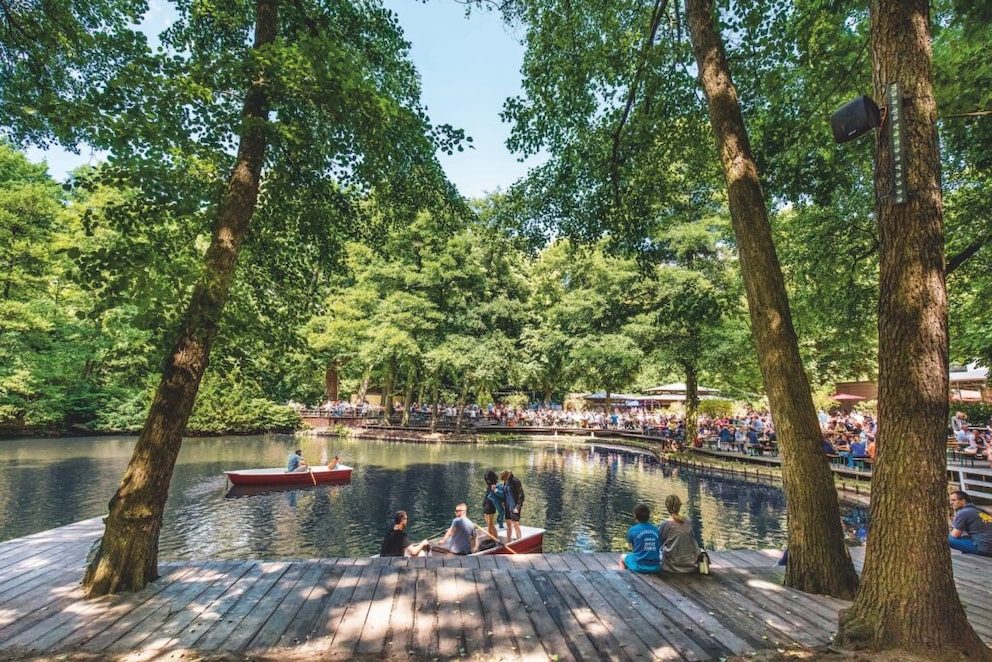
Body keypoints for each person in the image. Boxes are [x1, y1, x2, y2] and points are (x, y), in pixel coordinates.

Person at [658, 494, 701, 573]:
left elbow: (659, 543)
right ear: (679, 506)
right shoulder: (688, 522)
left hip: (671, 566)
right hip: (690, 564)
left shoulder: (665, 524)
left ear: (667, 506)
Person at [948, 490, 992, 556]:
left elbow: (955, 535)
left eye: (954, 500)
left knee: (947, 539)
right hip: (988, 545)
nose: (951, 503)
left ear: (963, 501)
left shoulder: (963, 512)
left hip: (984, 548)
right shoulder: (979, 510)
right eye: (950, 500)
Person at [619, 504, 660, 573]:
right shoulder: (656, 529)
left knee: (622, 557)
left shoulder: (633, 530)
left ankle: (624, 577)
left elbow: (633, 545)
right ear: (649, 516)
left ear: (635, 516)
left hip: (639, 566)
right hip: (655, 566)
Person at [501, 470, 525, 541]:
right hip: (507, 506)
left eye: (505, 479)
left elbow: (521, 495)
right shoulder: (505, 481)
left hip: (514, 506)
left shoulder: (516, 481)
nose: (504, 480)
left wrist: (518, 507)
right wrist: (503, 501)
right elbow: (504, 492)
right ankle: (508, 541)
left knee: (516, 524)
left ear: (508, 476)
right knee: (508, 525)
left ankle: (519, 540)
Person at [482, 470, 500, 540]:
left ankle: (493, 541)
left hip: (490, 506)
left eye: (487, 478)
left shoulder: (494, 486)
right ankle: (493, 540)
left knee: (490, 526)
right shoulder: (490, 485)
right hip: (486, 505)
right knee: (489, 525)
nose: (487, 480)